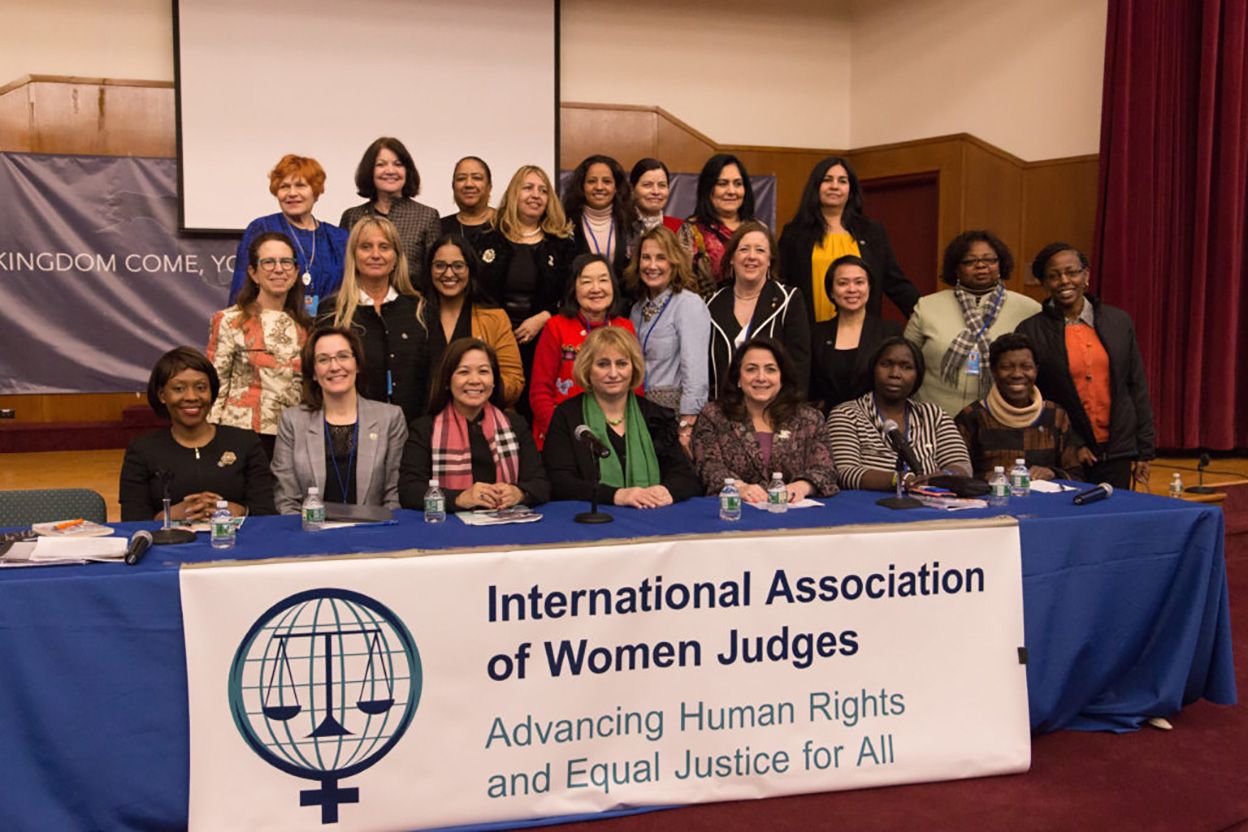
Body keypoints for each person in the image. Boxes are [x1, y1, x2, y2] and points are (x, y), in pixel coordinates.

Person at [1016, 242, 1156, 490]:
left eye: (1072, 272)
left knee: (1115, 521)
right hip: (1065, 455)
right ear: (1045, 284)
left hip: (1118, 450)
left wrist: (1144, 449)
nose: (1064, 280)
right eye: (1054, 276)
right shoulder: (1030, 331)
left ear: (1086, 275)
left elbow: (1136, 385)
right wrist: (1072, 443)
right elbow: (1034, 398)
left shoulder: (1118, 321)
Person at [543, 326, 700, 508]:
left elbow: (685, 476)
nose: (613, 373)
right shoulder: (567, 415)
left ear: (634, 368)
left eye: (622, 363)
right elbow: (559, 482)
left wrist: (667, 491)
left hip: (652, 517)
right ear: (587, 368)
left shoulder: (656, 416)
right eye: (602, 364)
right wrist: (617, 496)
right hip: (588, 523)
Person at [119, 347, 276, 521]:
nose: (192, 397)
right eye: (179, 389)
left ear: (212, 392)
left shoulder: (245, 442)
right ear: (162, 395)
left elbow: (267, 513)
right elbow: (132, 522)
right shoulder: (142, 450)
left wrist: (239, 511)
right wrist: (168, 515)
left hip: (237, 544)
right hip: (169, 546)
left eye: (201, 387)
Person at [398, 338, 548, 511]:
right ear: (447, 381)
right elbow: (409, 492)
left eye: (483, 371)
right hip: (447, 530)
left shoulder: (515, 424)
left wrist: (519, 493)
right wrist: (459, 498)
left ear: (494, 380)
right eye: (463, 372)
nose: (475, 380)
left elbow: (541, 484)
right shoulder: (425, 429)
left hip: (506, 528)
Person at [904, 230, 1041, 417]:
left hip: (1002, 416)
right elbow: (906, 360)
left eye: (990, 260)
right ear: (956, 268)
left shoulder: (1028, 309)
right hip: (934, 415)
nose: (981, 266)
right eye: (970, 261)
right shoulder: (927, 306)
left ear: (1001, 264)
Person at [271, 327, 407, 513]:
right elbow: (286, 500)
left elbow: (394, 495)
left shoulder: (390, 418)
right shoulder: (293, 421)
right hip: (311, 534)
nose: (334, 367)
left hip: (372, 534)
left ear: (357, 364)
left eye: (343, 356)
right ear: (313, 372)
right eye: (323, 359)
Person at [476, 165, 577, 410]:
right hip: (493, 339)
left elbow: (571, 294)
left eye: (543, 190)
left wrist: (543, 317)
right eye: (528, 188)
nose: (536, 195)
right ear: (513, 194)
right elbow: (476, 291)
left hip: (543, 338)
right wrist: (499, 328)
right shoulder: (487, 238)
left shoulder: (562, 244)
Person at [692, 337, 838, 502]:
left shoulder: (809, 418)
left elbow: (825, 469)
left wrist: (800, 487)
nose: (761, 377)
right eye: (751, 369)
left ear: (782, 378)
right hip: (736, 512)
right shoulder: (713, 415)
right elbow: (708, 467)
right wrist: (739, 487)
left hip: (793, 514)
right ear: (738, 378)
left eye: (770, 369)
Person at [778, 156, 919, 325]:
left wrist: (927, 315)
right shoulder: (795, 233)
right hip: (809, 335)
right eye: (827, 180)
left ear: (851, 189)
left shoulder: (871, 232)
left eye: (842, 181)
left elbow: (895, 283)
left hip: (862, 336)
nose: (835, 186)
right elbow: (781, 284)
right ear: (816, 187)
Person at [206, 232, 310, 462]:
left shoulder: (306, 327)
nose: (278, 268)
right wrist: (210, 441)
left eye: (286, 262)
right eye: (268, 262)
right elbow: (216, 385)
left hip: (292, 435)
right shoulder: (229, 320)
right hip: (240, 436)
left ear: (295, 272)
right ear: (253, 273)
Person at [317, 216, 430, 425]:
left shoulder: (419, 309)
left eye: (384, 247)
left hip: (413, 431)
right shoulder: (332, 311)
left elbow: (433, 376)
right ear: (353, 256)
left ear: (396, 256)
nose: (375, 255)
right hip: (350, 431)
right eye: (366, 247)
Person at [824, 337, 971, 490]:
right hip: (869, 509)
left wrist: (944, 476)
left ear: (917, 376)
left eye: (906, 367)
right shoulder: (846, 415)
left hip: (931, 506)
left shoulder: (933, 415)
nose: (895, 373)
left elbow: (962, 465)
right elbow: (845, 473)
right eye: (886, 364)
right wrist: (901, 480)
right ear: (873, 369)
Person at [529, 254, 637, 449]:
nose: (596, 288)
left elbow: (636, 387)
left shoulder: (625, 327)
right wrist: (563, 432)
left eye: (603, 280)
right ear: (574, 288)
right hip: (563, 434)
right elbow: (540, 392)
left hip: (616, 435)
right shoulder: (556, 327)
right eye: (586, 281)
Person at [228, 154, 348, 317]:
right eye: (284, 186)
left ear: (315, 190)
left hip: (328, 330)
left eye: (300, 185)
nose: (292, 193)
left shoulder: (338, 238)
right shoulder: (261, 228)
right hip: (272, 329)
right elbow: (241, 290)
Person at [626, 225, 712, 450]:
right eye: (646, 257)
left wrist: (687, 425)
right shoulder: (637, 310)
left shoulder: (688, 304)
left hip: (673, 413)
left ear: (674, 262)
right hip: (639, 410)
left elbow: (695, 371)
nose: (652, 266)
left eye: (661, 258)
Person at [954, 332, 1081, 481]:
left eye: (1026, 367)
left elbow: (1076, 476)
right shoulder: (972, 417)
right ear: (994, 372)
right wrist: (986, 478)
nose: (1017, 374)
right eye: (1007, 367)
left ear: (1036, 370)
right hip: (992, 501)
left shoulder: (1055, 415)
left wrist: (1053, 473)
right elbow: (956, 476)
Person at [706, 221, 810, 398]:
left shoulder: (789, 300)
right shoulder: (710, 304)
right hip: (722, 413)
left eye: (760, 250)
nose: (751, 256)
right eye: (744, 249)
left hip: (774, 414)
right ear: (731, 258)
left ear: (770, 260)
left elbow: (799, 367)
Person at [421, 234, 524, 406]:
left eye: (458, 266)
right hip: (420, 424)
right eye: (440, 266)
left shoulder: (494, 319)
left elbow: (514, 381)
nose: (448, 273)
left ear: (471, 269)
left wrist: (478, 390)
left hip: (477, 420)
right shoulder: (412, 313)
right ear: (429, 270)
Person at [339, 137, 440, 290]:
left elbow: (434, 274)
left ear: (407, 170)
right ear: (370, 171)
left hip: (412, 307)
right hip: (360, 307)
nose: (390, 171)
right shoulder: (352, 216)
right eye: (381, 165)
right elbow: (345, 271)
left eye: (398, 164)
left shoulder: (427, 216)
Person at [809, 255, 904, 411]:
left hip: (875, 424)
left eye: (859, 282)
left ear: (869, 287)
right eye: (843, 283)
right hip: (826, 424)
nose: (852, 289)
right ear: (831, 291)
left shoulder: (889, 332)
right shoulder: (816, 334)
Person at [677, 153, 758, 299]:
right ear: (708, 189)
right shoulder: (691, 231)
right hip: (705, 316)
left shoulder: (757, 229)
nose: (732, 191)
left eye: (738, 184)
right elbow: (682, 286)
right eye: (722, 184)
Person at [563, 154, 633, 279]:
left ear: (616, 187)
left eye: (607, 181)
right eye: (591, 181)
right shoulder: (564, 224)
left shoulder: (630, 223)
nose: (599, 187)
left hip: (623, 298)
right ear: (582, 186)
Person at [439, 155, 495, 250]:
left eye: (477, 178)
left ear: (489, 187)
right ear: (453, 187)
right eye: (461, 178)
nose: (468, 184)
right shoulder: (439, 228)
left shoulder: (506, 223)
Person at [628, 157, 684, 239]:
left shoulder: (679, 228)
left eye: (662, 185)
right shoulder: (618, 227)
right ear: (632, 189)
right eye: (647, 185)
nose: (656, 192)